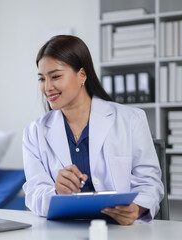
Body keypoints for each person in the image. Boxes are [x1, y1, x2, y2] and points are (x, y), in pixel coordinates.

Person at [22, 35, 164, 225]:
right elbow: (33, 192)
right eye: (42, 79)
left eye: (55, 76)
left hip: (120, 231)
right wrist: (57, 192)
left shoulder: (131, 119)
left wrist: (136, 209)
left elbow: (150, 183)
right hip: (62, 231)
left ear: (82, 75)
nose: (47, 87)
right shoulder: (34, 131)